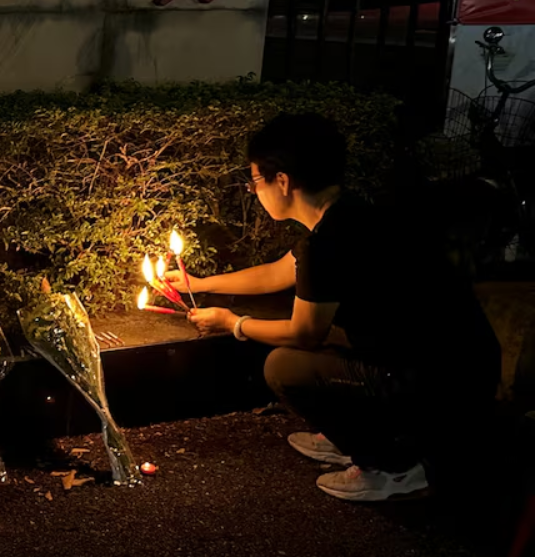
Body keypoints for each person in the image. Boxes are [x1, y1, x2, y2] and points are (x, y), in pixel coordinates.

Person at [167, 113, 501, 502]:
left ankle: (393, 467)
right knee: (316, 333)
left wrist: (233, 323)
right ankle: (350, 434)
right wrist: (199, 284)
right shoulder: (350, 211)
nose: (253, 191)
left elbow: (304, 333)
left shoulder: (327, 243)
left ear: (282, 181)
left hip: (441, 380)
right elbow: (276, 273)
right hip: (465, 361)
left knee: (284, 366)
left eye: (255, 181)